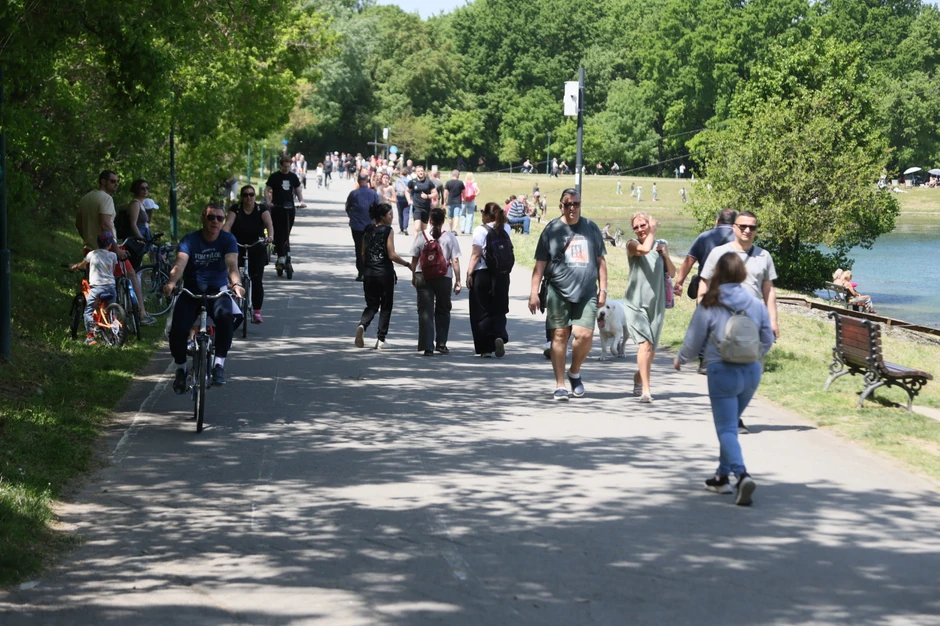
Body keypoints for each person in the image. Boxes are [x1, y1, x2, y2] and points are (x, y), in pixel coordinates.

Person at [674, 252, 775, 506]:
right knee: (730, 427)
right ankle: (722, 477)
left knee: (727, 428)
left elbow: (694, 338)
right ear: (741, 273)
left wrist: (681, 359)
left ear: (718, 273)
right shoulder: (756, 304)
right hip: (751, 372)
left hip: (721, 370)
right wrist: (753, 356)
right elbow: (767, 340)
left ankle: (741, 476)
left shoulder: (710, 303)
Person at [528, 188, 608, 401]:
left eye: (576, 204)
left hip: (587, 292)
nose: (572, 208)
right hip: (558, 291)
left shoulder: (591, 228)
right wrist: (533, 293)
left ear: (580, 204)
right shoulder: (552, 229)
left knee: (585, 335)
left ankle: (574, 372)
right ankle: (560, 384)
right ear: (561, 206)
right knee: (560, 335)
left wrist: (604, 289)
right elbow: (540, 265)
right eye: (568, 204)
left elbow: (601, 261)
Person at [163, 204, 245, 391]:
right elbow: (180, 264)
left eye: (219, 218)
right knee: (177, 331)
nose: (215, 221)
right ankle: (181, 369)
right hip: (191, 291)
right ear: (203, 218)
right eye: (211, 217)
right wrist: (172, 283)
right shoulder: (190, 240)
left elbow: (232, 265)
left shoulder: (227, 239)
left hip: (217, 291)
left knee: (225, 318)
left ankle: (219, 365)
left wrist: (237, 284)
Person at [75, 170, 152, 325]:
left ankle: (98, 318)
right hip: (107, 249)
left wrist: (87, 238)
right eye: (113, 181)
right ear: (103, 181)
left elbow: (78, 223)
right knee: (130, 274)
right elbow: (105, 224)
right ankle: (141, 314)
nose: (116, 184)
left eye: (117, 181)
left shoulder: (86, 198)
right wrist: (116, 249)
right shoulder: (106, 198)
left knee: (95, 283)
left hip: (90, 249)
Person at [624, 212, 677, 403]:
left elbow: (672, 272)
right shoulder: (631, 244)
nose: (640, 229)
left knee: (651, 351)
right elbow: (644, 250)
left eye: (643, 225)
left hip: (657, 304)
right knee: (645, 345)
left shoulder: (660, 243)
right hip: (635, 303)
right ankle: (647, 390)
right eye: (636, 227)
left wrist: (666, 254)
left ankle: (638, 377)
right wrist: (652, 232)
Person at [700, 211, 778, 338]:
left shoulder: (765, 255)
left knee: (748, 356)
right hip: (721, 321)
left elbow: (769, 291)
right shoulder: (718, 253)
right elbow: (704, 284)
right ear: (734, 227)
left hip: (752, 322)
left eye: (752, 227)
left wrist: (773, 321)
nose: (747, 230)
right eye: (743, 226)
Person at [355, 203, 412, 350]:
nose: (392, 216)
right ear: (382, 216)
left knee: (372, 305)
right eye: (390, 214)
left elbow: (363, 252)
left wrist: (367, 267)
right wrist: (407, 264)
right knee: (386, 306)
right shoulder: (388, 230)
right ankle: (381, 339)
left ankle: (362, 325)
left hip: (369, 273)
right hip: (384, 274)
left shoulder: (368, 229)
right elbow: (391, 255)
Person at [409, 208, 462, 355]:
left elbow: (414, 258)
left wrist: (414, 275)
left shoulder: (421, 235)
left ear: (430, 220)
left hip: (423, 275)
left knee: (425, 311)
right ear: (443, 220)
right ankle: (441, 343)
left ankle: (427, 345)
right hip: (444, 277)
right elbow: (455, 260)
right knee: (443, 310)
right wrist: (458, 280)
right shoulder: (450, 237)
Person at [223, 185, 274, 323]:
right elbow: (228, 223)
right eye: (245, 195)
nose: (249, 197)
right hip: (236, 246)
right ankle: (231, 304)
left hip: (256, 247)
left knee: (256, 280)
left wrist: (270, 237)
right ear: (242, 197)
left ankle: (257, 311)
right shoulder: (236, 209)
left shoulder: (261, 209)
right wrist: (222, 236)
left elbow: (269, 223)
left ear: (254, 196)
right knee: (231, 278)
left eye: (251, 194)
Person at [467, 202, 512, 358]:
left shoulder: (480, 230)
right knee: (499, 308)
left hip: (483, 273)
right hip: (501, 274)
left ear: (486, 215)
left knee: (481, 310)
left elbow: (476, 254)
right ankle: (499, 335)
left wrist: (469, 273)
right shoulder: (506, 228)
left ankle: (485, 348)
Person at [70, 232, 118, 345]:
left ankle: (91, 337)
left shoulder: (92, 254)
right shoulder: (113, 255)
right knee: (111, 310)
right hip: (111, 287)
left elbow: (81, 265)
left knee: (88, 312)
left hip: (97, 288)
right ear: (110, 245)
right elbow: (112, 270)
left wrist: (73, 267)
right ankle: (115, 333)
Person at [264, 156, 303, 270]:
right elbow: (267, 189)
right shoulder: (275, 177)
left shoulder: (293, 177)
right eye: (284, 166)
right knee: (278, 231)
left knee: (286, 232)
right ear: (281, 165)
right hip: (277, 207)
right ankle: (280, 254)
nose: (286, 168)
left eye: (288, 166)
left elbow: (298, 189)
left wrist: (301, 201)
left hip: (289, 208)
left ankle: (283, 254)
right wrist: (268, 201)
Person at [346, 173, 382, 282]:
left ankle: (361, 272)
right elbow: (378, 208)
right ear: (367, 181)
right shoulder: (373, 194)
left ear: (358, 181)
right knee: (370, 248)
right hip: (370, 225)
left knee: (358, 248)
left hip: (356, 225)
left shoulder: (353, 194)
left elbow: (348, 207)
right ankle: (369, 272)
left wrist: (352, 216)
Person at [406, 165, 435, 234]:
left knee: (423, 230)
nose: (420, 172)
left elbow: (435, 194)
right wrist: (409, 200)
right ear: (416, 172)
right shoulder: (413, 182)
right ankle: (416, 244)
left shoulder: (429, 182)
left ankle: (422, 244)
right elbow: (407, 191)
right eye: (419, 171)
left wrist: (427, 196)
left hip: (426, 207)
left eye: (422, 171)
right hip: (417, 207)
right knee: (417, 228)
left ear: (424, 172)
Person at [442, 169, 465, 233]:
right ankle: (454, 229)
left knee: (450, 216)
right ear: (457, 175)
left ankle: (451, 228)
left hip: (450, 201)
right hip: (458, 201)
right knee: (456, 216)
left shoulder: (448, 183)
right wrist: (464, 199)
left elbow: (445, 193)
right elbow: (464, 192)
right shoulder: (460, 183)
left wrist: (445, 201)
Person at [394, 169, 411, 234]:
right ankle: (405, 228)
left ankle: (401, 229)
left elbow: (395, 189)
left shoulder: (398, 180)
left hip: (399, 199)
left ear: (401, 173)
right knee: (406, 214)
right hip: (407, 199)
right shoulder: (409, 181)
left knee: (400, 214)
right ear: (407, 174)